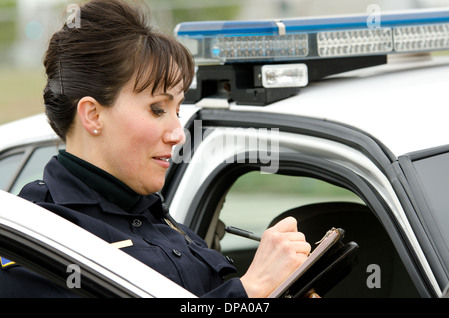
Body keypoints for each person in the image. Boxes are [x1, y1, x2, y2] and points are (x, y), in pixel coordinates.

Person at [0, 0, 311, 298]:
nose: (179, 134)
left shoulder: (162, 220)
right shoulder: (38, 239)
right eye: (157, 109)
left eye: (178, 109)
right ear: (93, 115)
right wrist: (250, 289)